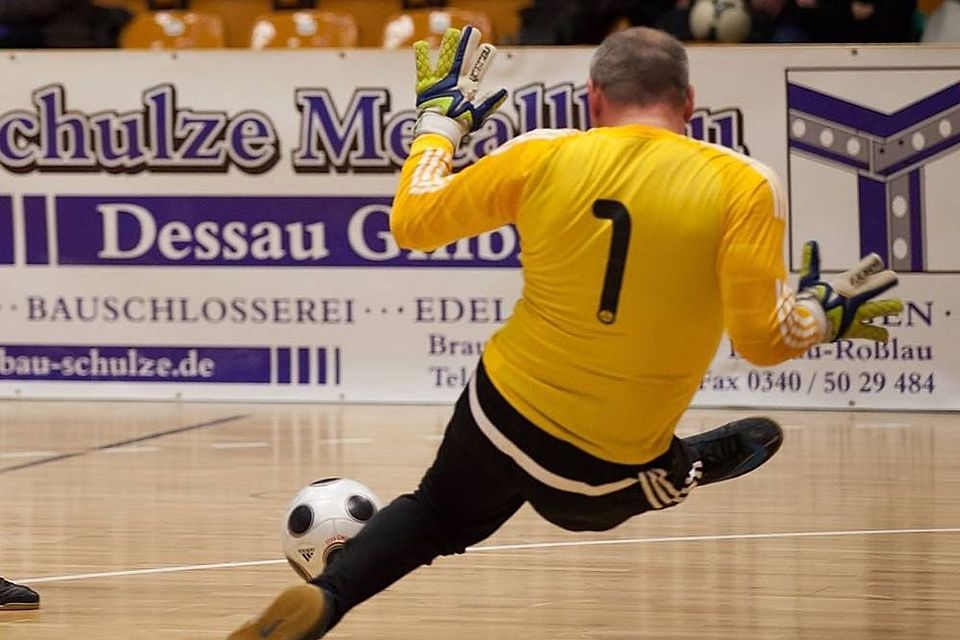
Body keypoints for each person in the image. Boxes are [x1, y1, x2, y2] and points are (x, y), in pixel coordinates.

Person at [227, 26, 903, 640]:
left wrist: (438, 123)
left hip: (497, 408)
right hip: (597, 471)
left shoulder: (542, 153)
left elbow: (413, 220)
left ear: (593, 97)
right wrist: (822, 315)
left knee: (436, 514)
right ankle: (687, 463)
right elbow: (762, 340)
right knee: (636, 487)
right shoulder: (744, 184)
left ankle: (330, 598)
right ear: (689, 102)